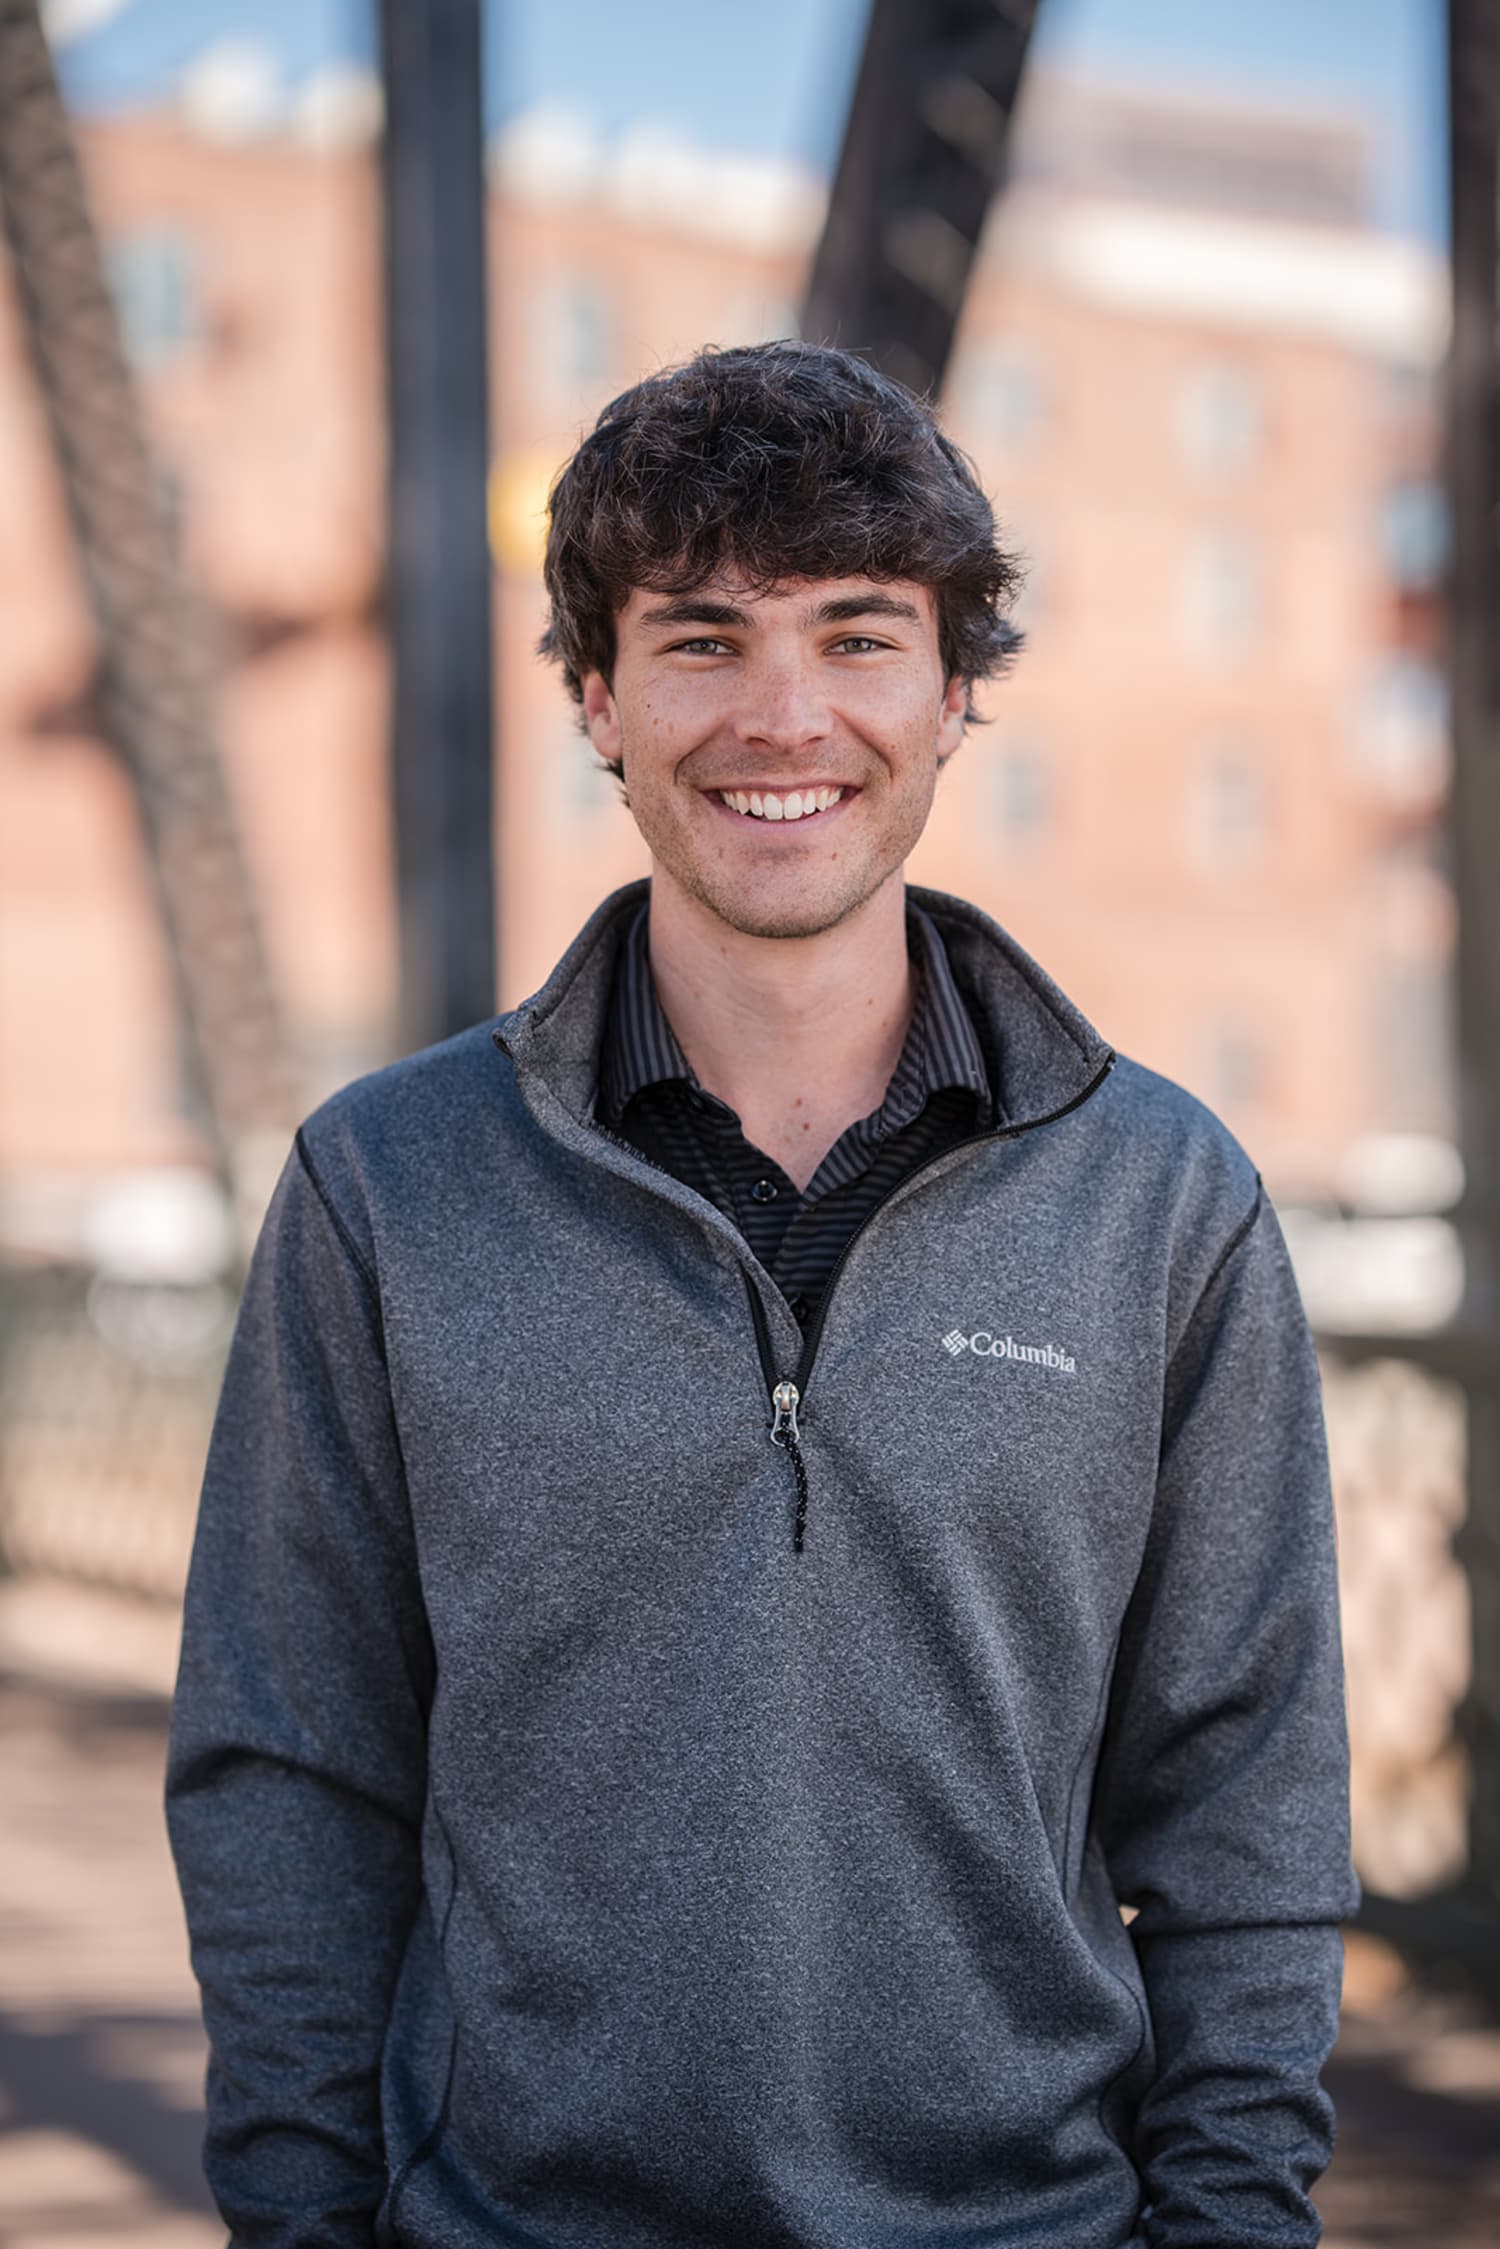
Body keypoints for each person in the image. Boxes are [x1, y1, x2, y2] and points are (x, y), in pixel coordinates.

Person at [167, 340, 1358, 2249]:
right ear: (597, 697)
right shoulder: (385, 1186)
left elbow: (1248, 1800)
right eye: (704, 640)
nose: (783, 716)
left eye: (861, 637)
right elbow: (291, 1768)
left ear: (958, 692)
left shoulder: (1162, 1197)